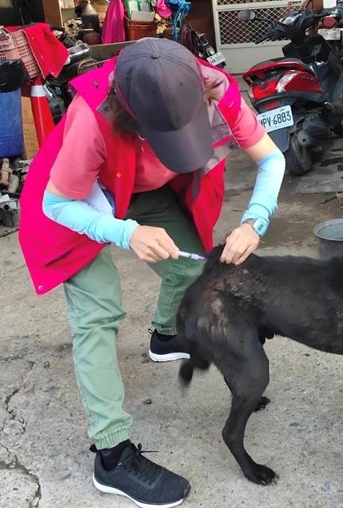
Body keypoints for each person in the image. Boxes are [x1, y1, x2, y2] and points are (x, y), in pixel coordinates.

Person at [18, 38, 285, 506]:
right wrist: (124, 233)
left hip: (144, 191)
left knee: (192, 269)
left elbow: (272, 158)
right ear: (131, 117)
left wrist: (255, 220)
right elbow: (57, 202)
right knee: (98, 315)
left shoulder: (214, 87)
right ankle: (112, 454)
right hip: (82, 200)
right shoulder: (93, 118)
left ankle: (165, 335)